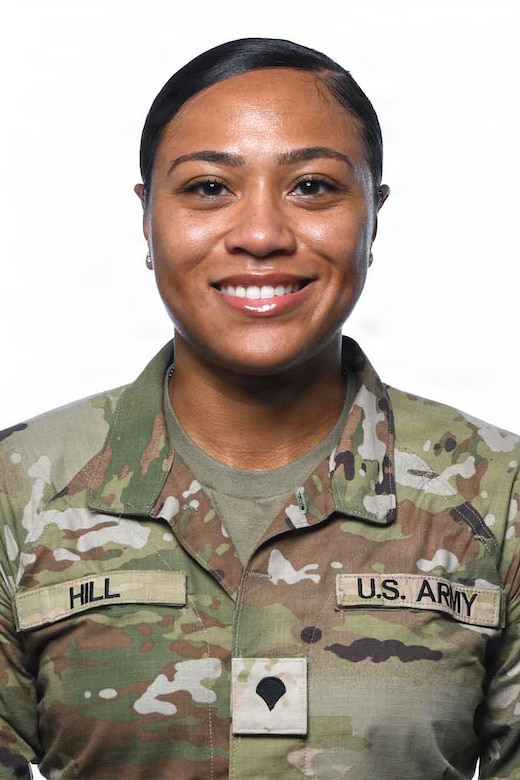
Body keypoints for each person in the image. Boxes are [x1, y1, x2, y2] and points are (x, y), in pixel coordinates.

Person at [0, 36, 518, 780]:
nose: (263, 235)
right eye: (210, 188)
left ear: (374, 214)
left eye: (313, 186)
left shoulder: (498, 494)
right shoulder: (20, 488)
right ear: (147, 219)